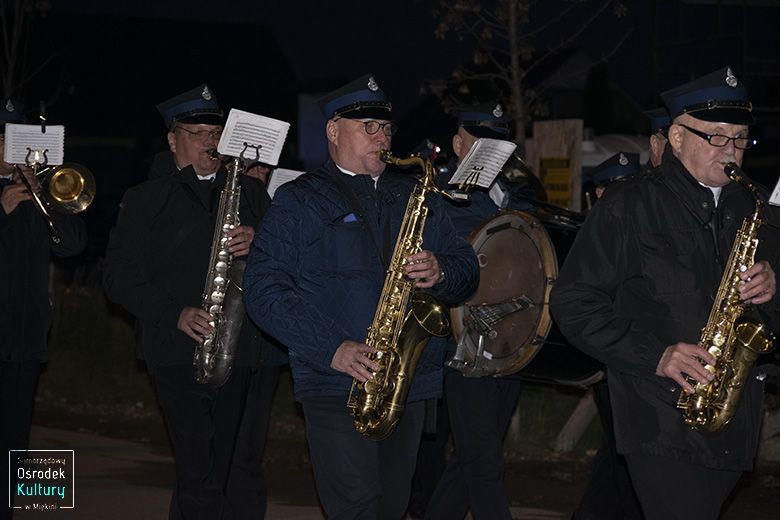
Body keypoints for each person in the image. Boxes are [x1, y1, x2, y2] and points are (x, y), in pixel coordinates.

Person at [242, 73, 479, 520]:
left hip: (409, 384)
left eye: (385, 127)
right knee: (357, 509)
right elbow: (263, 289)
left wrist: (442, 269)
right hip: (335, 383)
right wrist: (330, 348)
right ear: (333, 132)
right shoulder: (299, 201)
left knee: (390, 507)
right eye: (367, 126)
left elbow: (467, 270)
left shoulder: (415, 194)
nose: (381, 136)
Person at [550, 66, 780, 520]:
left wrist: (773, 289)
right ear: (676, 138)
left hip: (733, 420)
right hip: (658, 415)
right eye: (716, 137)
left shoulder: (754, 205)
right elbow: (573, 301)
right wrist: (656, 356)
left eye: (739, 138)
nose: (730, 150)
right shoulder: (627, 205)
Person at [103, 84, 277, 519]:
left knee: (213, 470)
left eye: (215, 132)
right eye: (197, 132)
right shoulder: (144, 199)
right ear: (172, 139)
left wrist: (262, 242)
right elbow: (116, 276)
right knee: (200, 472)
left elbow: (288, 262)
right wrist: (173, 313)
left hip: (235, 349)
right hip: (175, 350)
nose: (209, 142)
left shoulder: (252, 195)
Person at [420, 102, 536, 520]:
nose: (493, 152)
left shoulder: (520, 193)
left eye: (500, 144)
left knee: (470, 460)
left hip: (511, 339)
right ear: (457, 143)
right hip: (464, 343)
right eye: (481, 143)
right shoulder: (439, 196)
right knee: (484, 463)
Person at [1, 99, 87, 520]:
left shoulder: (38, 193)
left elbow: (72, 246)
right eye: (4, 139)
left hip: (26, 334)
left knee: (17, 438)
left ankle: (15, 510)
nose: (10, 148)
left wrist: (47, 197)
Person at [568, 151, 644, 520]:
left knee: (617, 445)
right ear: (599, 194)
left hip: (636, 350)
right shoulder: (597, 233)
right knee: (622, 444)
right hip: (611, 352)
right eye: (613, 188)